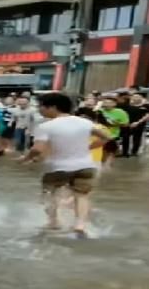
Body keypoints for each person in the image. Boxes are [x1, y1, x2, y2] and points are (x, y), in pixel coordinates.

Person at [21, 92, 111, 237]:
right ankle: (80, 225)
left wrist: (26, 159)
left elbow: (37, 149)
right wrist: (89, 148)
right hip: (86, 165)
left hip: (58, 167)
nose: (39, 110)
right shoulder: (85, 122)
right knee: (82, 195)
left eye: (41, 106)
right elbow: (107, 137)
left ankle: (54, 222)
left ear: (53, 107)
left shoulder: (46, 126)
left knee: (50, 194)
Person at [99, 95, 130, 167]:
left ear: (114, 104)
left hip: (113, 136)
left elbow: (126, 125)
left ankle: (108, 167)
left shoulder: (121, 112)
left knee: (111, 152)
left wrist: (115, 124)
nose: (106, 104)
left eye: (109, 103)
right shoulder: (99, 111)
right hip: (99, 135)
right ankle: (101, 166)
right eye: (105, 102)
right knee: (101, 153)